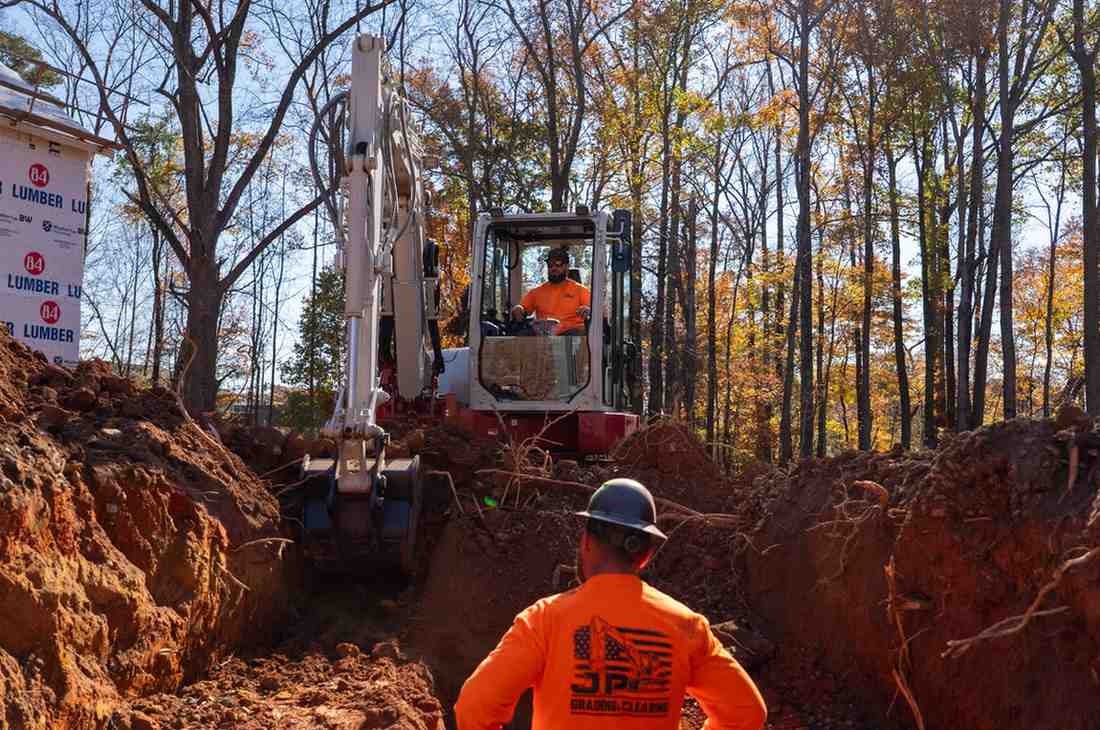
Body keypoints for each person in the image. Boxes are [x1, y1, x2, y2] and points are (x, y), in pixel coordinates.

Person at [454, 479, 767, 730]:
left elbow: (474, 708)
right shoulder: (687, 626)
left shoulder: (544, 620)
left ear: (586, 542)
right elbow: (747, 714)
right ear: (645, 556)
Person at [510, 247, 591, 335]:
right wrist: (518, 309)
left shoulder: (580, 290)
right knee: (522, 334)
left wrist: (587, 310)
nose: (553, 268)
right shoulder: (537, 292)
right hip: (543, 335)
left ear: (566, 266)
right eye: (550, 265)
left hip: (571, 334)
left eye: (558, 264)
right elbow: (523, 307)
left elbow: (592, 310)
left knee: (577, 333)